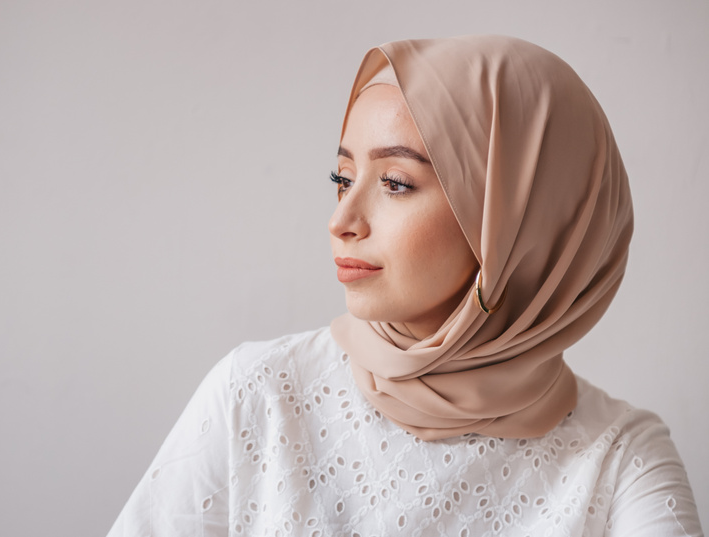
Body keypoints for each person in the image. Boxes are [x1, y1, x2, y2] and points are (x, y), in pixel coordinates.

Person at [107, 35, 703, 536]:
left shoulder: (621, 459)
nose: (341, 220)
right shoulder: (259, 395)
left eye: (395, 182)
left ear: (524, 218)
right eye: (342, 178)